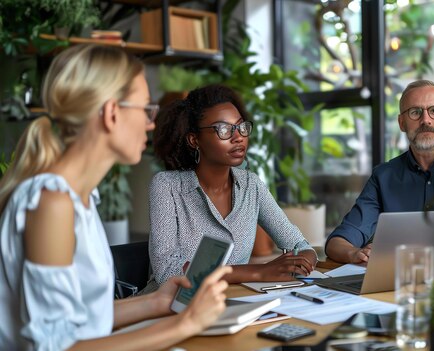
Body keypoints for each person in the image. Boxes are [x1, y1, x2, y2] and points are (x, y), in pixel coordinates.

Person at [0, 45, 231, 350]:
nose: (151, 124)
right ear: (111, 113)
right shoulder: (50, 203)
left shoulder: (78, 198)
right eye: (146, 109)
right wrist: (185, 324)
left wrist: (156, 302)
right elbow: (56, 346)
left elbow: (81, 318)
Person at [148, 84, 317, 286]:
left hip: (236, 303)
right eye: (224, 129)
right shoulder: (167, 186)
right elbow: (168, 273)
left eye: (241, 126)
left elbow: (300, 245)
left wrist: (301, 261)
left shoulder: (251, 185)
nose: (238, 137)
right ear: (194, 140)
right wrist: (257, 273)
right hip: (172, 308)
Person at [325, 80, 434, 264]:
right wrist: (354, 254)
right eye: (415, 112)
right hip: (398, 285)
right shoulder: (383, 177)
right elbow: (338, 242)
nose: (425, 120)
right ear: (401, 123)